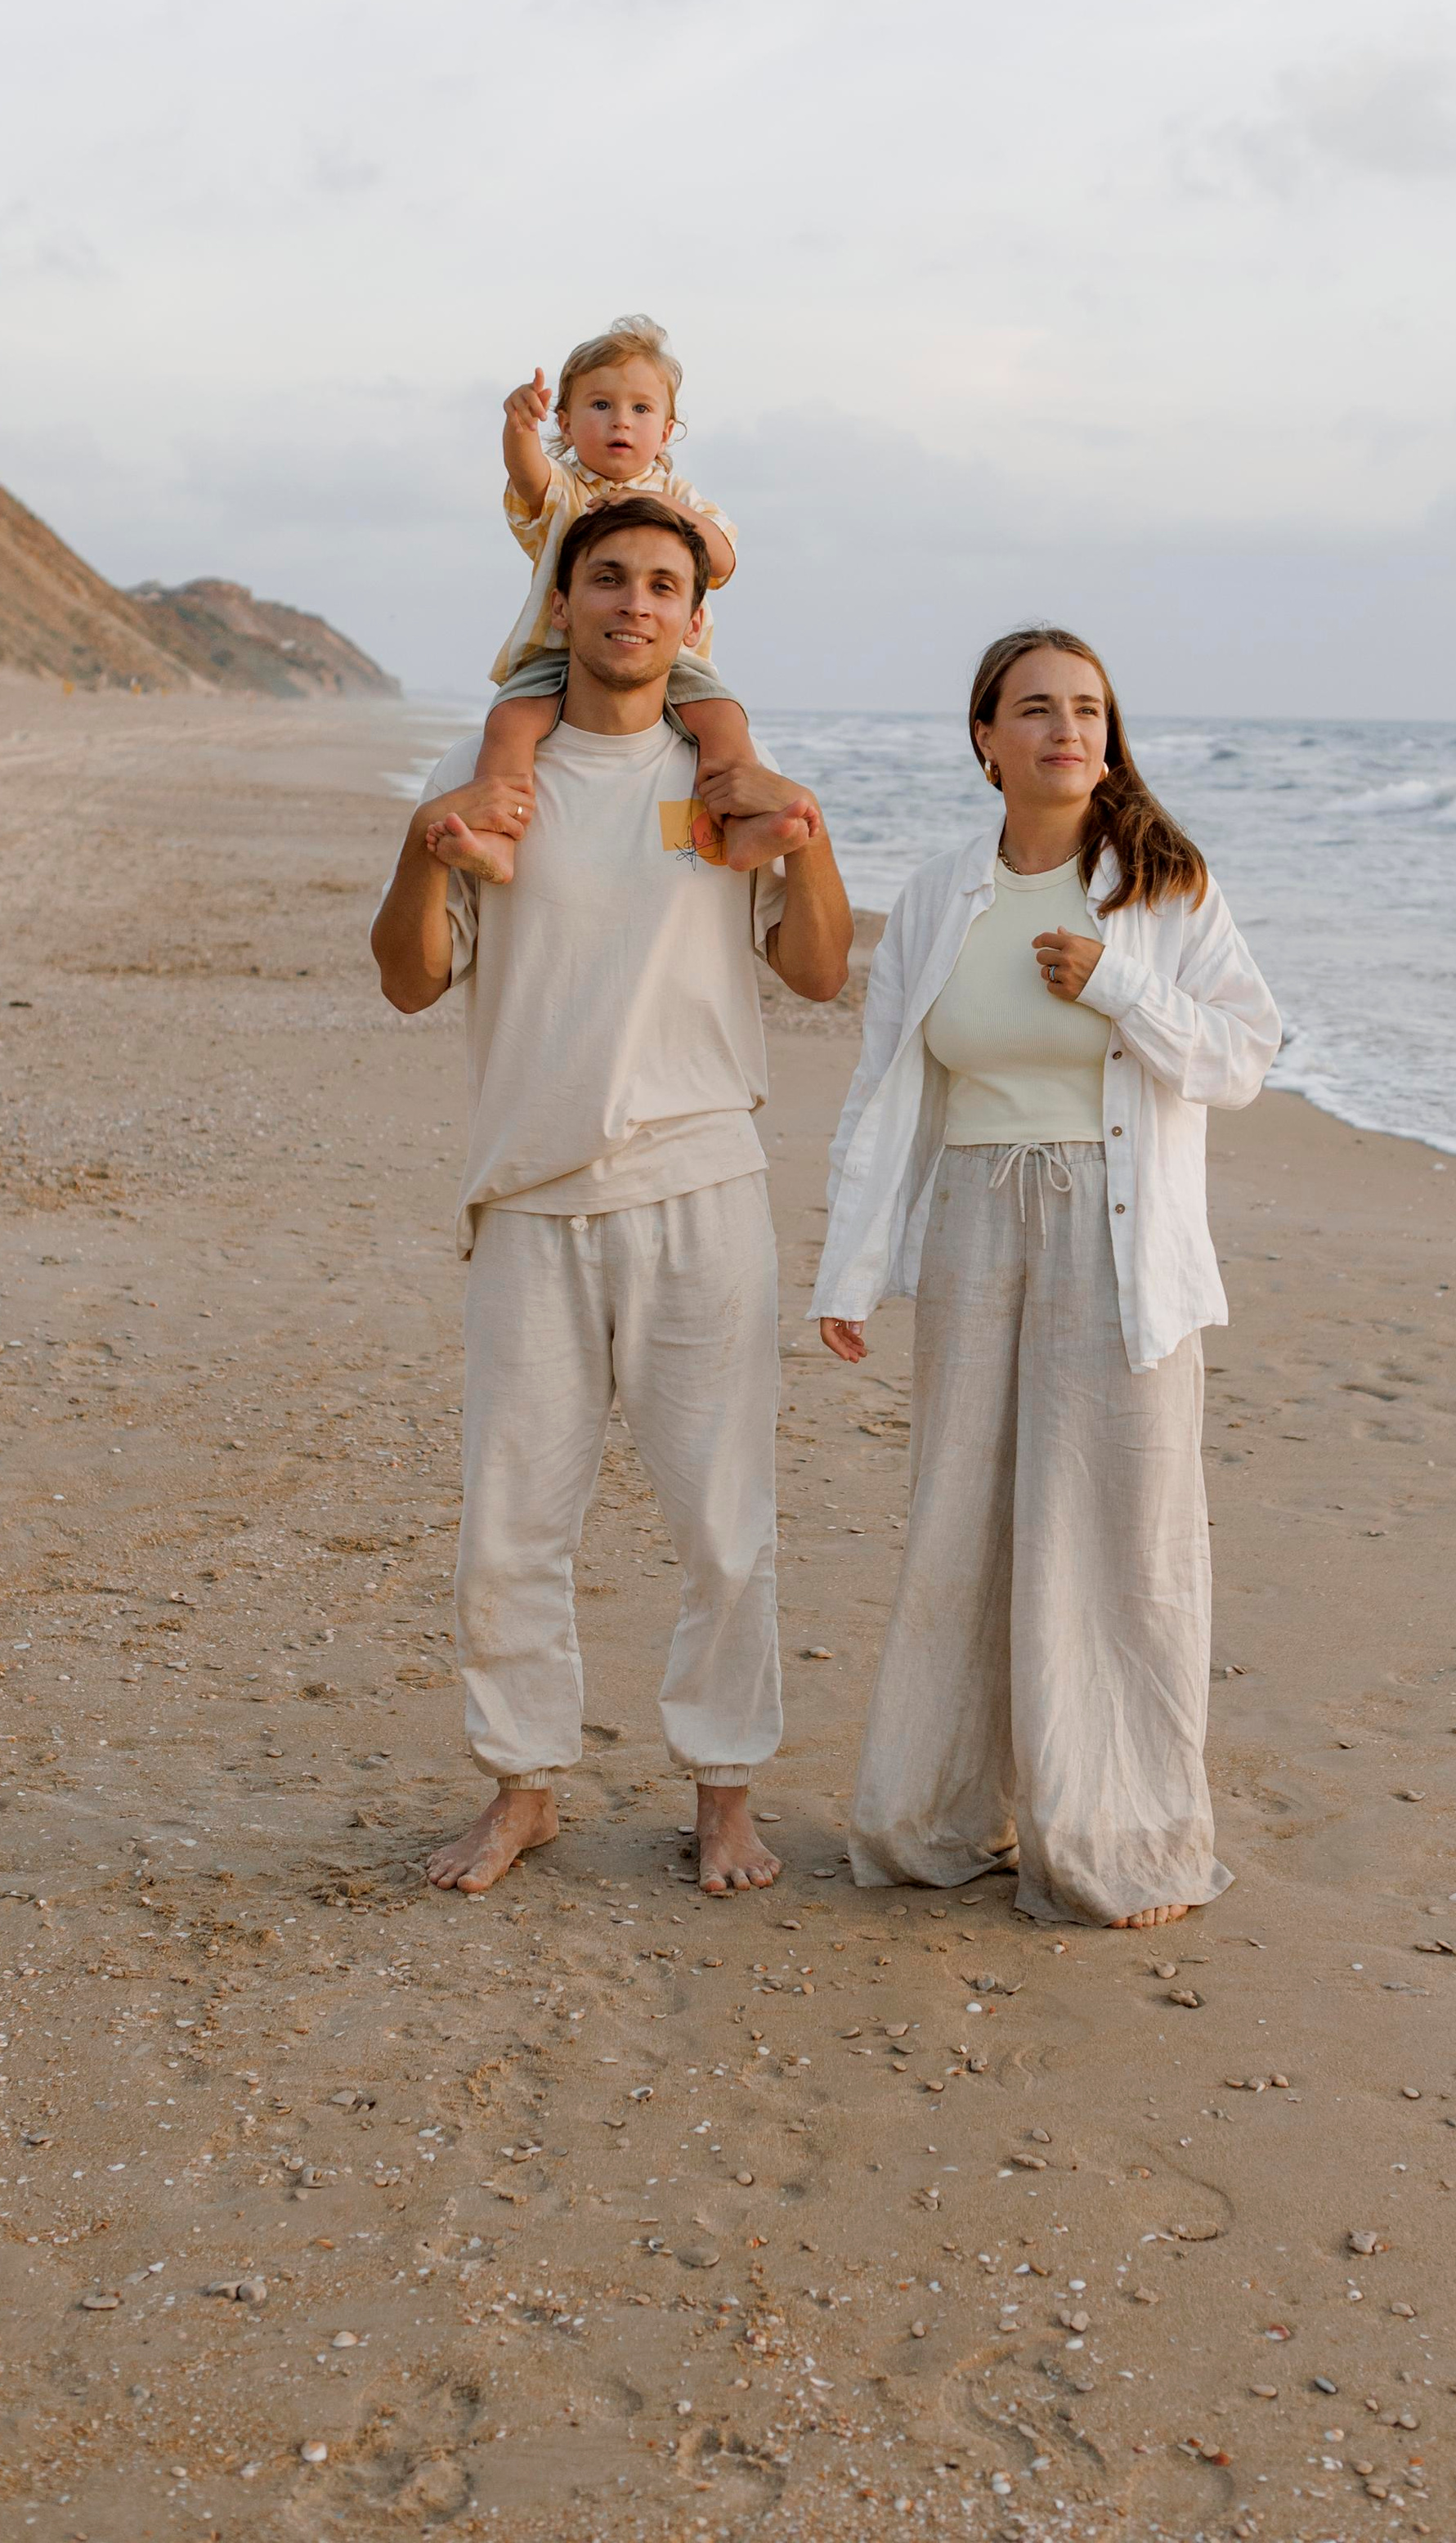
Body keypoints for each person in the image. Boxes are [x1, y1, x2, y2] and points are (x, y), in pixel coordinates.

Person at [372, 495, 853, 1896]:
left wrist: (807, 838)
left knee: (722, 1519)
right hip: (529, 1193)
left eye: (661, 585)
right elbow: (409, 980)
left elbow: (817, 975)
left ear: (694, 621)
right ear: (564, 604)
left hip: (704, 1186)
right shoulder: (495, 791)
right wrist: (424, 844)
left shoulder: (730, 790)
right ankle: (523, 1789)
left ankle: (724, 1797)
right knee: (508, 1521)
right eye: (609, 579)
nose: (635, 603)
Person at [809, 629, 1279, 1932]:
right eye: (1035, 710)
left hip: (1115, 1238)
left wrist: (1121, 984)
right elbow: (890, 1091)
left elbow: (1246, 1054)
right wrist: (850, 1269)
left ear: (1110, 737)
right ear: (985, 740)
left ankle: (1115, 1837)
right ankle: (940, 1817)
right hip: (970, 1224)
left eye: (1087, 709)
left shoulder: (1161, 889)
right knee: (962, 1515)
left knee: (1118, 1532)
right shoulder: (943, 892)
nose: (1066, 730)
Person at [427, 312, 810, 884]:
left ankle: (742, 821)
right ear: (565, 420)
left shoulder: (679, 495)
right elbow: (528, 477)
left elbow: (723, 561)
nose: (620, 423)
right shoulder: (567, 488)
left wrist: (663, 508)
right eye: (600, 406)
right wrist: (518, 429)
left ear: (668, 430)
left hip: (668, 660)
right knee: (508, 722)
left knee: (724, 721)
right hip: (559, 653)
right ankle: (498, 837)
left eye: (640, 409)